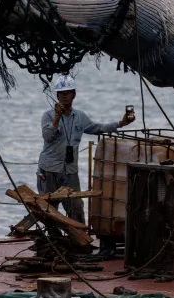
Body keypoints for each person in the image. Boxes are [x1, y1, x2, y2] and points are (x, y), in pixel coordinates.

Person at [38, 75, 135, 223]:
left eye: (68, 92)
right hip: (49, 169)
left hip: (70, 170)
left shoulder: (80, 117)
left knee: (76, 207)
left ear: (74, 95)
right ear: (57, 96)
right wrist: (57, 117)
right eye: (61, 93)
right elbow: (47, 136)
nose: (64, 96)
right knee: (49, 209)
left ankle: (78, 239)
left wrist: (120, 123)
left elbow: (98, 128)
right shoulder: (48, 115)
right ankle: (51, 239)